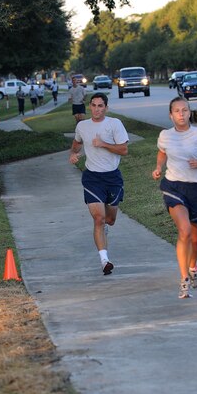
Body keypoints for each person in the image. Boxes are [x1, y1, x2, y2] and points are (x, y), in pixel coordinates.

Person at [152, 97, 197, 299]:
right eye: (177, 111)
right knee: (183, 231)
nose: (181, 114)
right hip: (173, 186)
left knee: (195, 237)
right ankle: (184, 278)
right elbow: (161, 152)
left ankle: (193, 266)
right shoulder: (165, 135)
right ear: (171, 115)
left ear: (189, 112)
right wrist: (159, 167)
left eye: (184, 110)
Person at [69, 92, 129, 275]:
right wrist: (73, 153)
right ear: (90, 107)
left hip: (112, 178)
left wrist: (103, 144)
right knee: (98, 219)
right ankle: (105, 261)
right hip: (92, 178)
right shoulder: (82, 126)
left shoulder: (114, 124)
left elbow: (124, 149)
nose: (96, 109)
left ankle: (105, 229)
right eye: (93, 105)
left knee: (109, 220)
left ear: (106, 108)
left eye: (100, 106)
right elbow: (77, 142)